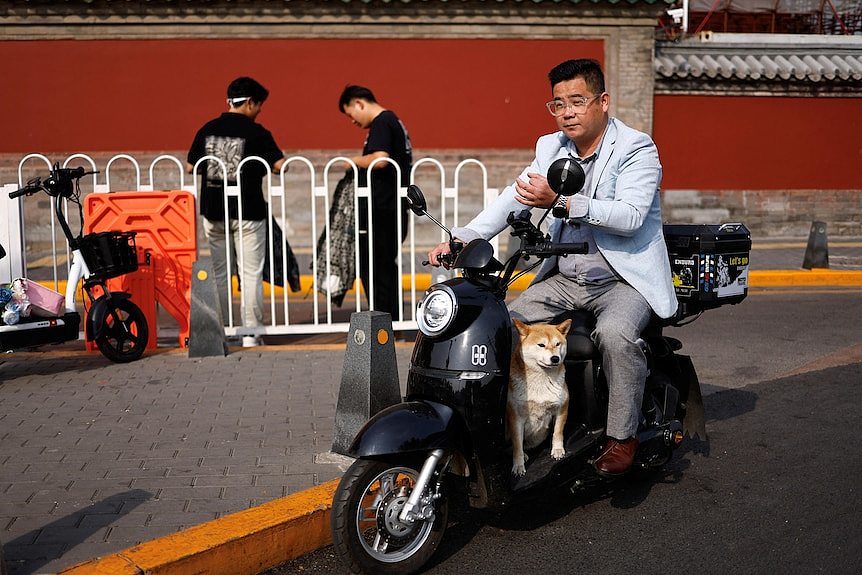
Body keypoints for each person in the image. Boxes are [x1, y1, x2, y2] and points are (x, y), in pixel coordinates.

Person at [428, 59, 678, 476]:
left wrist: (561, 203)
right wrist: (466, 235)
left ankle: (622, 436)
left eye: (577, 101)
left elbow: (631, 215)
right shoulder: (551, 147)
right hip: (565, 277)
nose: (567, 112)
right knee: (501, 327)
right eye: (558, 104)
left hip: (623, 279)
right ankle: (507, 421)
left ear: (602, 102)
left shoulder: (637, 148)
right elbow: (517, 196)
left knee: (615, 336)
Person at [187, 76, 286, 347]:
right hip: (248, 212)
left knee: (220, 272)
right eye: (260, 105)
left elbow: (189, 166)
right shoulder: (257, 132)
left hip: (214, 211)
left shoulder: (208, 128)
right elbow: (281, 165)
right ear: (251, 102)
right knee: (250, 273)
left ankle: (219, 332)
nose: (260, 110)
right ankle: (251, 334)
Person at [339, 85, 413, 319]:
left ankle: (382, 323)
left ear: (359, 103)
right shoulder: (393, 121)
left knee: (375, 268)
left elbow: (381, 159)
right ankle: (390, 321)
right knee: (383, 268)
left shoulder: (382, 121)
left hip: (382, 209)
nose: (353, 121)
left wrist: (353, 161)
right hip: (391, 208)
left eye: (351, 114)